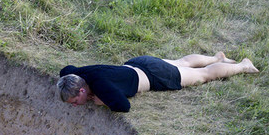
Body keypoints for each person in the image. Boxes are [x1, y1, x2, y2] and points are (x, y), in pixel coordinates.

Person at [57, 52, 258, 112]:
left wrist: (103, 100)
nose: (75, 105)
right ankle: (217, 58)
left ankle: (243, 66)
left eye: (74, 101)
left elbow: (123, 105)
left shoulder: (100, 86)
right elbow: (64, 70)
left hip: (155, 76)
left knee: (203, 75)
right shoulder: (77, 74)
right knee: (183, 62)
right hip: (140, 62)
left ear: (82, 91)